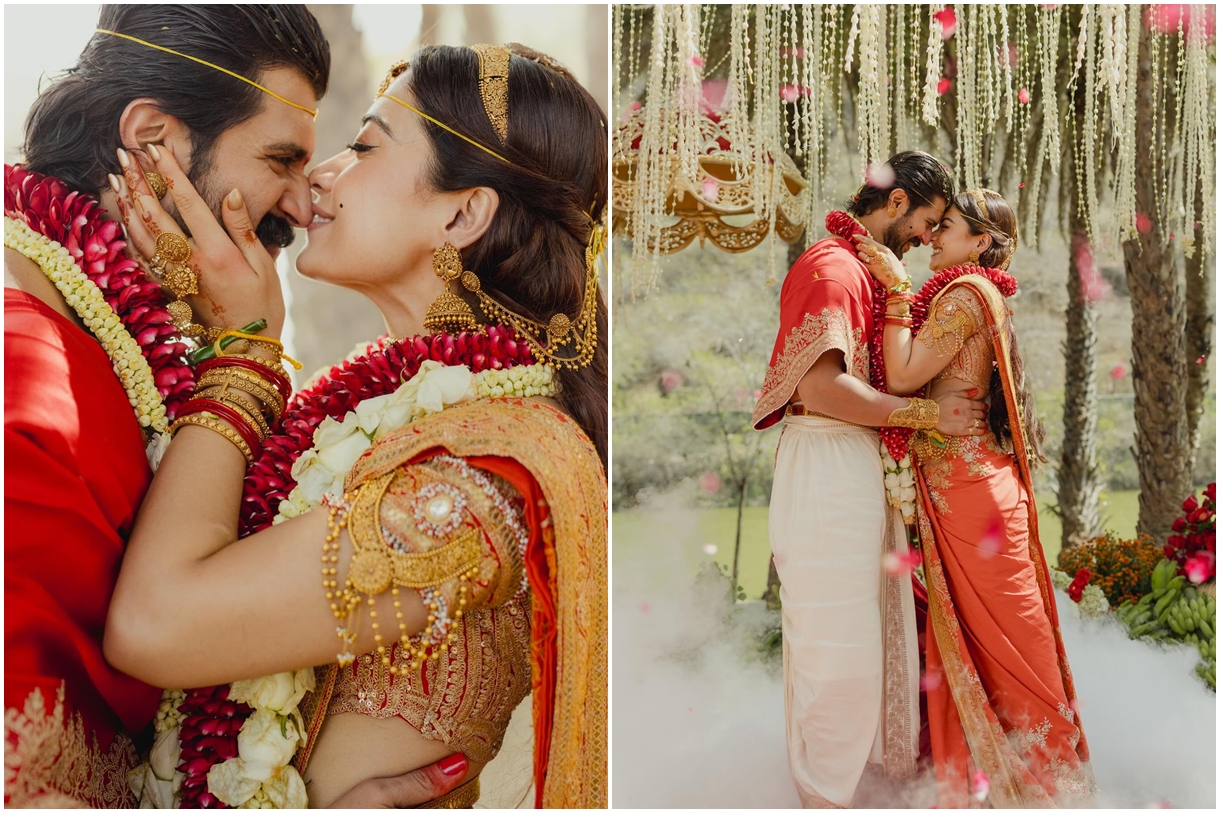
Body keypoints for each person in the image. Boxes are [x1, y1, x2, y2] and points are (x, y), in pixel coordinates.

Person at [3, 7, 489, 808]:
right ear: (152, 138)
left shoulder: (116, 342)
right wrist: (248, 355)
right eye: (280, 160)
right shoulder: (27, 371)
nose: (301, 206)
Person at [102, 43, 607, 808]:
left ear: (463, 212)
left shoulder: (474, 487)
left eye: (365, 146)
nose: (318, 176)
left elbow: (152, 624)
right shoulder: (405, 420)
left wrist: (244, 355)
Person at [751, 151, 989, 808]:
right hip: (827, 461)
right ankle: (823, 797)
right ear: (895, 204)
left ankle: (844, 790)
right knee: (839, 651)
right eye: (926, 221)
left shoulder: (862, 270)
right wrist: (925, 414)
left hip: (849, 464)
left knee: (860, 645)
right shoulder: (831, 269)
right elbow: (820, 386)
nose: (926, 238)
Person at [851, 189, 1096, 806]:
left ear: (980, 242)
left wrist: (898, 292)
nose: (932, 237)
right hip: (971, 487)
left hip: (971, 492)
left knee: (1010, 647)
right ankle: (1011, 780)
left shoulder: (962, 296)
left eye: (948, 228)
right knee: (997, 643)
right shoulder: (969, 293)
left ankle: (1043, 786)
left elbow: (905, 376)